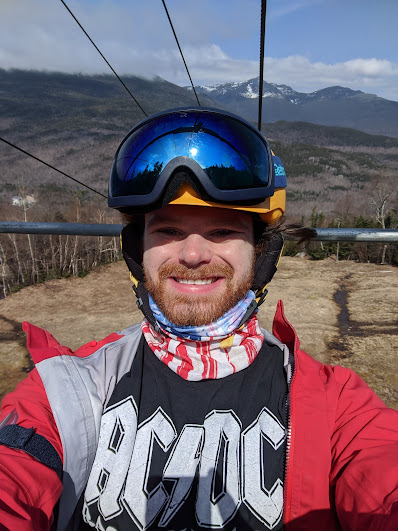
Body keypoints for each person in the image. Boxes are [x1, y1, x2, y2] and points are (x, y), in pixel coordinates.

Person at [0, 107, 397, 531]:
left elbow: (380, 475)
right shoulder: (66, 390)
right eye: (167, 231)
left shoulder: (337, 406)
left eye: (223, 231)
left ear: (260, 251)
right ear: (138, 250)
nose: (192, 255)